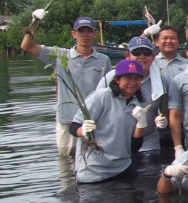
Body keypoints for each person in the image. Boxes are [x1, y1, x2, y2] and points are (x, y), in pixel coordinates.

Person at [21, 14, 111, 155]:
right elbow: (27, 46)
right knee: (66, 161)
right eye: (81, 31)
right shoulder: (59, 55)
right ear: (74, 34)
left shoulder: (103, 59)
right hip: (67, 119)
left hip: (93, 120)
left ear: (95, 34)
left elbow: (106, 90)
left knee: (94, 160)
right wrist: (35, 21)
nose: (85, 35)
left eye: (89, 31)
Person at [70, 59, 149, 183]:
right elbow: (73, 127)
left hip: (123, 167)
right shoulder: (100, 97)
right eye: (128, 78)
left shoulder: (136, 103)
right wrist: (84, 131)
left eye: (137, 78)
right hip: (94, 171)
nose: (133, 82)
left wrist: (141, 123)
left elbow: (134, 148)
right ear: (117, 80)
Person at [96, 36, 170, 155]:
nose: (141, 56)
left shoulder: (162, 82)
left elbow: (166, 109)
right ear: (127, 56)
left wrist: (162, 121)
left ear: (153, 57)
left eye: (146, 53)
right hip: (114, 142)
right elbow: (97, 108)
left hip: (147, 144)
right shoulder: (110, 78)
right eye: (136, 52)